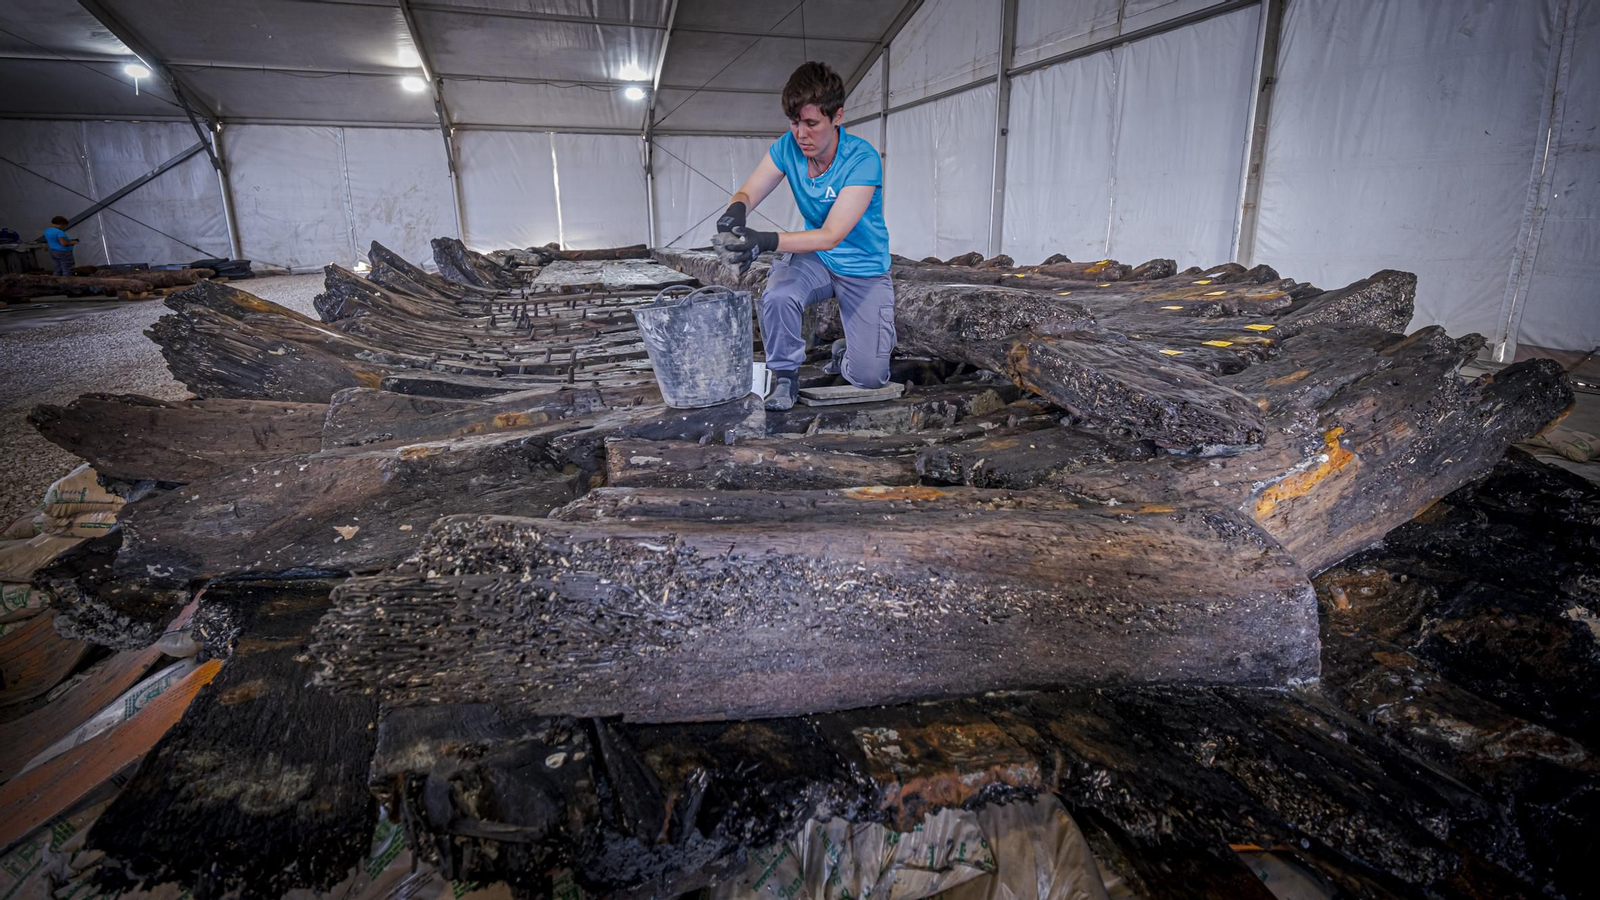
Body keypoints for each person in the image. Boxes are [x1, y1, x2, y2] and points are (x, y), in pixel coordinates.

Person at [712, 62, 894, 411]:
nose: (801, 134)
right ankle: (785, 377)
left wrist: (763, 241)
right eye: (795, 123)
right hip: (817, 260)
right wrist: (734, 211)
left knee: (870, 377)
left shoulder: (862, 159)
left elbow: (831, 234)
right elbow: (748, 192)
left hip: (862, 264)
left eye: (812, 123)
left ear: (837, 116)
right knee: (778, 294)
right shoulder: (788, 148)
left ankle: (846, 352)